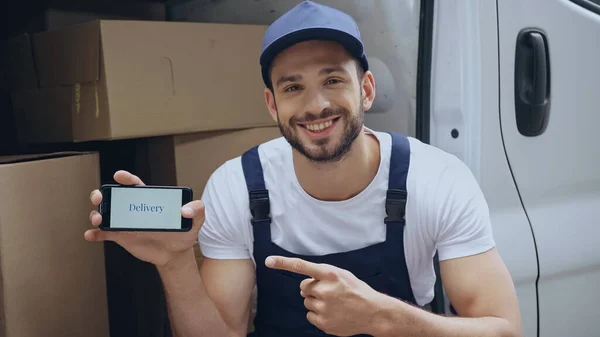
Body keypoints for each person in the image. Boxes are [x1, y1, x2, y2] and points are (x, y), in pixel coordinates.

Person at [85, 1, 523, 336]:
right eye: (293, 87)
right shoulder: (237, 185)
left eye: (333, 80)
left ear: (365, 90)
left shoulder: (437, 180)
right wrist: (175, 263)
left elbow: (504, 329)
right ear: (272, 103)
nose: (315, 106)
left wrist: (383, 316)